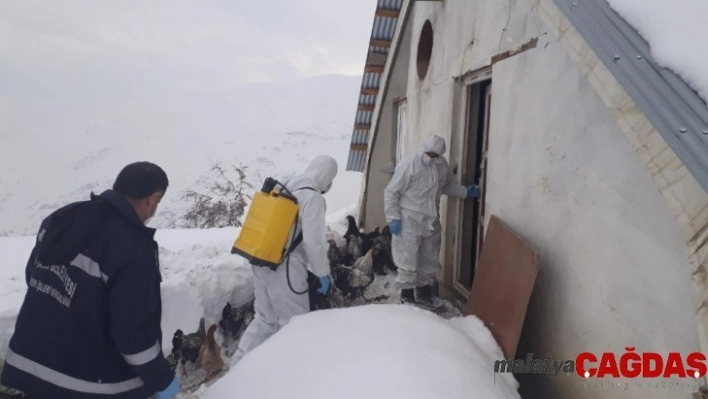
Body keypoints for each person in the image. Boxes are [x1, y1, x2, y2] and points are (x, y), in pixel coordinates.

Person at [1, 162, 180, 399]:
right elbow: (133, 335)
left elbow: (34, 276)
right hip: (83, 385)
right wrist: (162, 381)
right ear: (153, 199)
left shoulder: (62, 217)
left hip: (24, 367)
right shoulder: (133, 248)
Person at [232, 155, 338, 364]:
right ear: (327, 176)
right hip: (286, 266)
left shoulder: (285, 185)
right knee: (293, 324)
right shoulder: (312, 198)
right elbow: (313, 243)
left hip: (260, 258)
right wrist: (323, 274)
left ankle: (238, 367)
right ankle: (288, 373)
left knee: (265, 319)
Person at [384, 134, 480, 306]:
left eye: (436, 155)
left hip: (431, 219)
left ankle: (424, 293)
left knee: (429, 257)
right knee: (408, 257)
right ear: (424, 150)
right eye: (430, 155)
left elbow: (447, 186)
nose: (433, 158)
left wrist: (465, 192)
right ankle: (407, 296)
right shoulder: (410, 164)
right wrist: (393, 218)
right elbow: (392, 192)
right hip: (409, 218)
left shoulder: (441, 165)